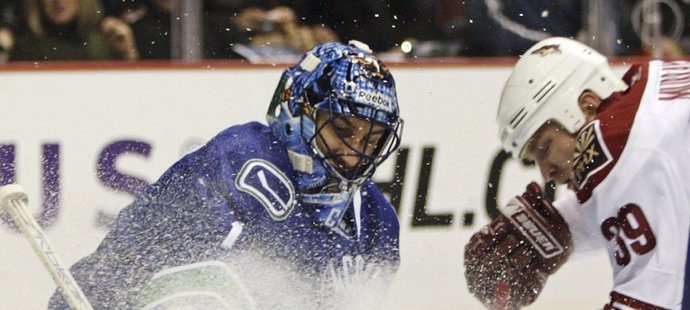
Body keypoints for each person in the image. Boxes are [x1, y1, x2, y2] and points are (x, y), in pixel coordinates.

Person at [48, 40, 403, 309]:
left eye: (372, 139)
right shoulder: (243, 161)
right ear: (300, 109)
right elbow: (177, 286)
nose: (355, 152)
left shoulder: (376, 220)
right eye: (342, 128)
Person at [464, 36, 690, 309]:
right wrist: (561, 227)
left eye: (545, 147)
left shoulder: (625, 150)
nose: (546, 173)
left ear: (587, 106)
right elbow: (660, 201)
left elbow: (652, 302)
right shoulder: (651, 81)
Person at [10, 0, 138, 61]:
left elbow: (130, 93)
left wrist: (127, 53)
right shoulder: (25, 48)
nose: (58, 1)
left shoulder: (105, 42)